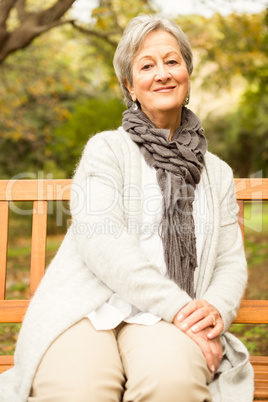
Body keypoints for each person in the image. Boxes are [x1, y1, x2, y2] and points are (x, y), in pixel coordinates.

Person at [0, 14, 254, 402]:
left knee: (174, 385)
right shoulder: (107, 150)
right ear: (131, 86)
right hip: (88, 307)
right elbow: (103, 243)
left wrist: (214, 311)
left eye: (172, 61)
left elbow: (230, 260)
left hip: (168, 319)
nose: (162, 73)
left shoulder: (216, 172)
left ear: (187, 74)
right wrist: (180, 309)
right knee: (81, 392)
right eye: (147, 66)